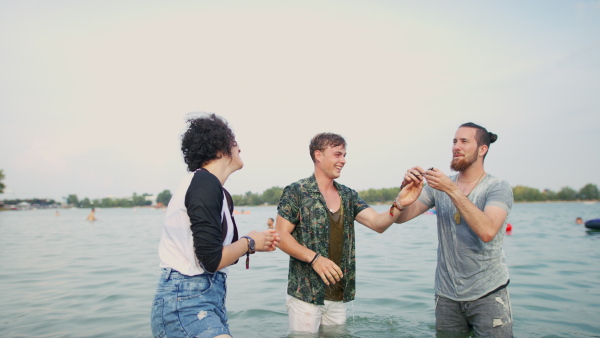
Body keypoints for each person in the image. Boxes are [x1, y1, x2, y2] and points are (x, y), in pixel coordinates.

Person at [276, 132, 422, 334]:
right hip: (305, 295)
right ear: (318, 155)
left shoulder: (348, 195)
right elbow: (281, 237)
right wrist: (315, 259)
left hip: (338, 293)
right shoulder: (297, 191)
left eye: (344, 155)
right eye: (337, 154)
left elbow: (378, 224)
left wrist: (400, 203)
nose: (343, 160)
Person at [150, 113, 280, 338]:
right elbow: (211, 260)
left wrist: (252, 242)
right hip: (186, 303)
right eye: (235, 142)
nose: (240, 148)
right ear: (221, 148)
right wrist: (249, 242)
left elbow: (219, 254)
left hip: (206, 300)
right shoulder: (204, 183)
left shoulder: (217, 191)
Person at [396, 122, 514, 337]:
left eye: (464, 141)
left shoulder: (497, 186)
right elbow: (400, 218)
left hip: (488, 294)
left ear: (482, 150)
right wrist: (404, 193)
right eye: (454, 141)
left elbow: (488, 231)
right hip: (446, 295)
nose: (456, 147)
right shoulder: (438, 187)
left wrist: (452, 190)